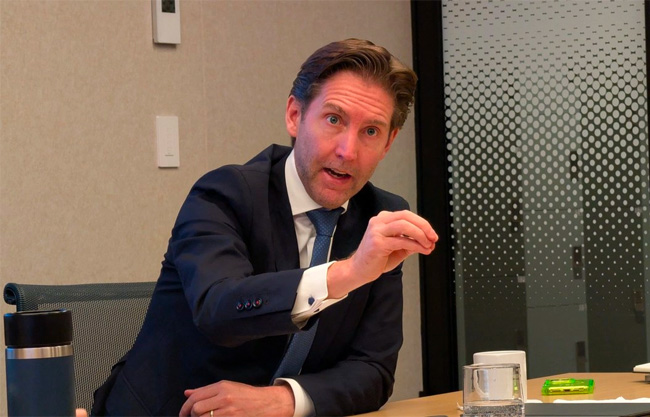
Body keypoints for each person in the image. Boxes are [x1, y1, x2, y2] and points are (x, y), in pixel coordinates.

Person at [91, 38, 438, 417]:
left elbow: (373, 370)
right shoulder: (224, 194)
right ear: (294, 115)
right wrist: (349, 273)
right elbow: (219, 311)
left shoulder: (381, 215)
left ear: (389, 143)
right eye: (333, 120)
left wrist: (283, 400)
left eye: (370, 131)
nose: (347, 151)